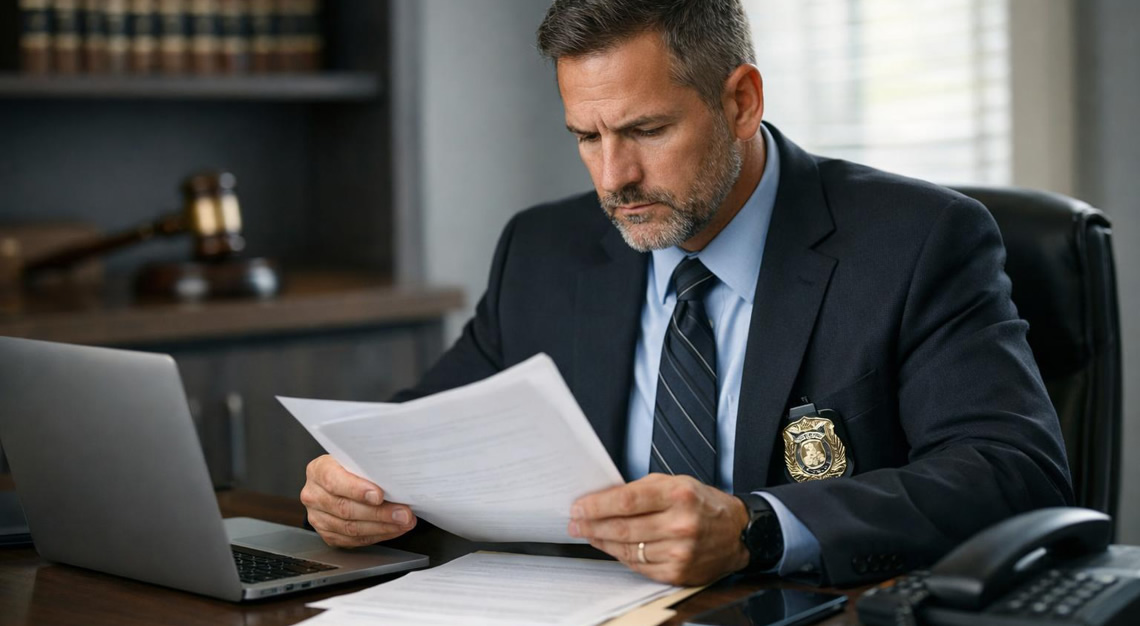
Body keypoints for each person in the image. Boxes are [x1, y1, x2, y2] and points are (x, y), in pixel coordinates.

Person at [301, 0, 1072, 587]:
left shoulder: (918, 239)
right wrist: (353, 483)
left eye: (645, 130)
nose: (613, 179)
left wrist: (756, 527)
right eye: (587, 136)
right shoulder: (543, 250)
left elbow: (1012, 468)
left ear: (741, 101)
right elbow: (426, 428)